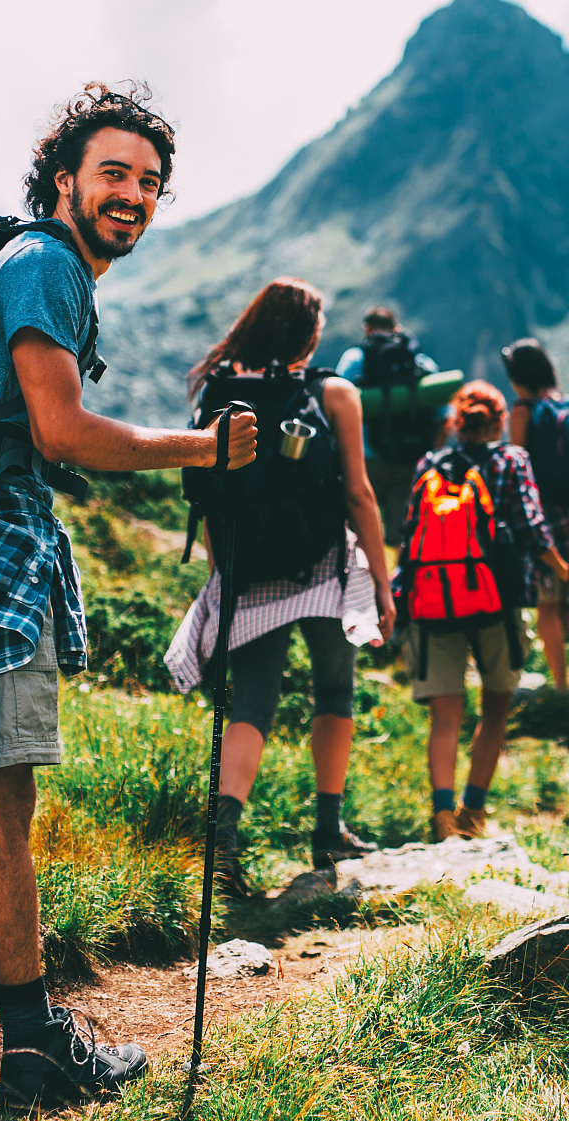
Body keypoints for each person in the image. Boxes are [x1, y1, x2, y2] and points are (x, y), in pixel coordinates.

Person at [0, 83, 258, 1121]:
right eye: (113, 172)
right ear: (64, 178)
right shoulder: (45, 267)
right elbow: (62, 433)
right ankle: (29, 1049)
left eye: (150, 183)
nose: (133, 194)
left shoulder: (22, 266)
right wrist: (205, 447)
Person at [164, 277, 398, 898]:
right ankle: (328, 829)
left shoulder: (218, 391)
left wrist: (226, 573)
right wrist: (381, 579)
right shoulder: (333, 393)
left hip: (251, 570)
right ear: (311, 333)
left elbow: (209, 492)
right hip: (323, 563)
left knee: (253, 703)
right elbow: (358, 493)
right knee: (334, 691)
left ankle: (225, 839)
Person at [395, 382, 569, 841]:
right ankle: (473, 811)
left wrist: (400, 603)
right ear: (499, 419)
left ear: (456, 420)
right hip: (496, 602)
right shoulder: (510, 461)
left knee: (446, 715)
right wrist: (567, 573)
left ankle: (442, 816)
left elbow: (409, 539)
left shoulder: (431, 463)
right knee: (496, 705)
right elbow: (533, 530)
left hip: (436, 602)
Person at [502, 339, 569, 700]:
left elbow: (519, 466)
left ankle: (561, 687)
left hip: (541, 514)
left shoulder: (523, 411)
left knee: (547, 604)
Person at [335, 306, 445, 536]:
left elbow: (335, 406)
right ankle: (399, 571)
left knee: (358, 531)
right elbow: (444, 415)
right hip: (410, 459)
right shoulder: (419, 361)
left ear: (366, 329)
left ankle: (368, 572)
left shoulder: (355, 359)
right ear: (396, 329)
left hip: (367, 462)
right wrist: (431, 452)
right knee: (405, 533)